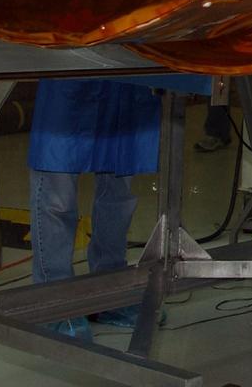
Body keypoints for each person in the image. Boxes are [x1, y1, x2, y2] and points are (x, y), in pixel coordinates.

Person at [29, 78, 162, 340]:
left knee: (119, 191)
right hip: (69, 70)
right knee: (58, 191)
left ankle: (109, 290)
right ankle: (53, 299)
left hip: (121, 73)